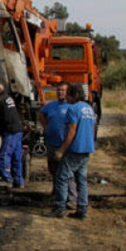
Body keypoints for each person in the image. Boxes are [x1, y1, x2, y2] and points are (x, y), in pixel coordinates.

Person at [49, 83, 97, 219]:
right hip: (86, 149)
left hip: (75, 148)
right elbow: (93, 129)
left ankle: (60, 209)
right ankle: (82, 210)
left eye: (68, 94)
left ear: (74, 95)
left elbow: (72, 131)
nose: (66, 97)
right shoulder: (89, 108)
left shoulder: (73, 109)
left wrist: (61, 150)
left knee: (61, 177)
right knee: (81, 180)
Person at [39, 81, 77, 206]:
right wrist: (45, 126)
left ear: (68, 92)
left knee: (68, 173)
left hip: (65, 145)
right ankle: (56, 194)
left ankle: (71, 199)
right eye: (58, 90)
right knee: (53, 170)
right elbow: (42, 113)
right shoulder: (51, 105)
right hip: (51, 143)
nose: (60, 92)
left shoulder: (72, 107)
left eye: (63, 90)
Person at [0, 80, 24, 188]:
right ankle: (19, 181)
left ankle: (7, 180)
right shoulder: (8, 98)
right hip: (18, 129)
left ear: (0, 89)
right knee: (16, 157)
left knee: (3, 156)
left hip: (11, 131)